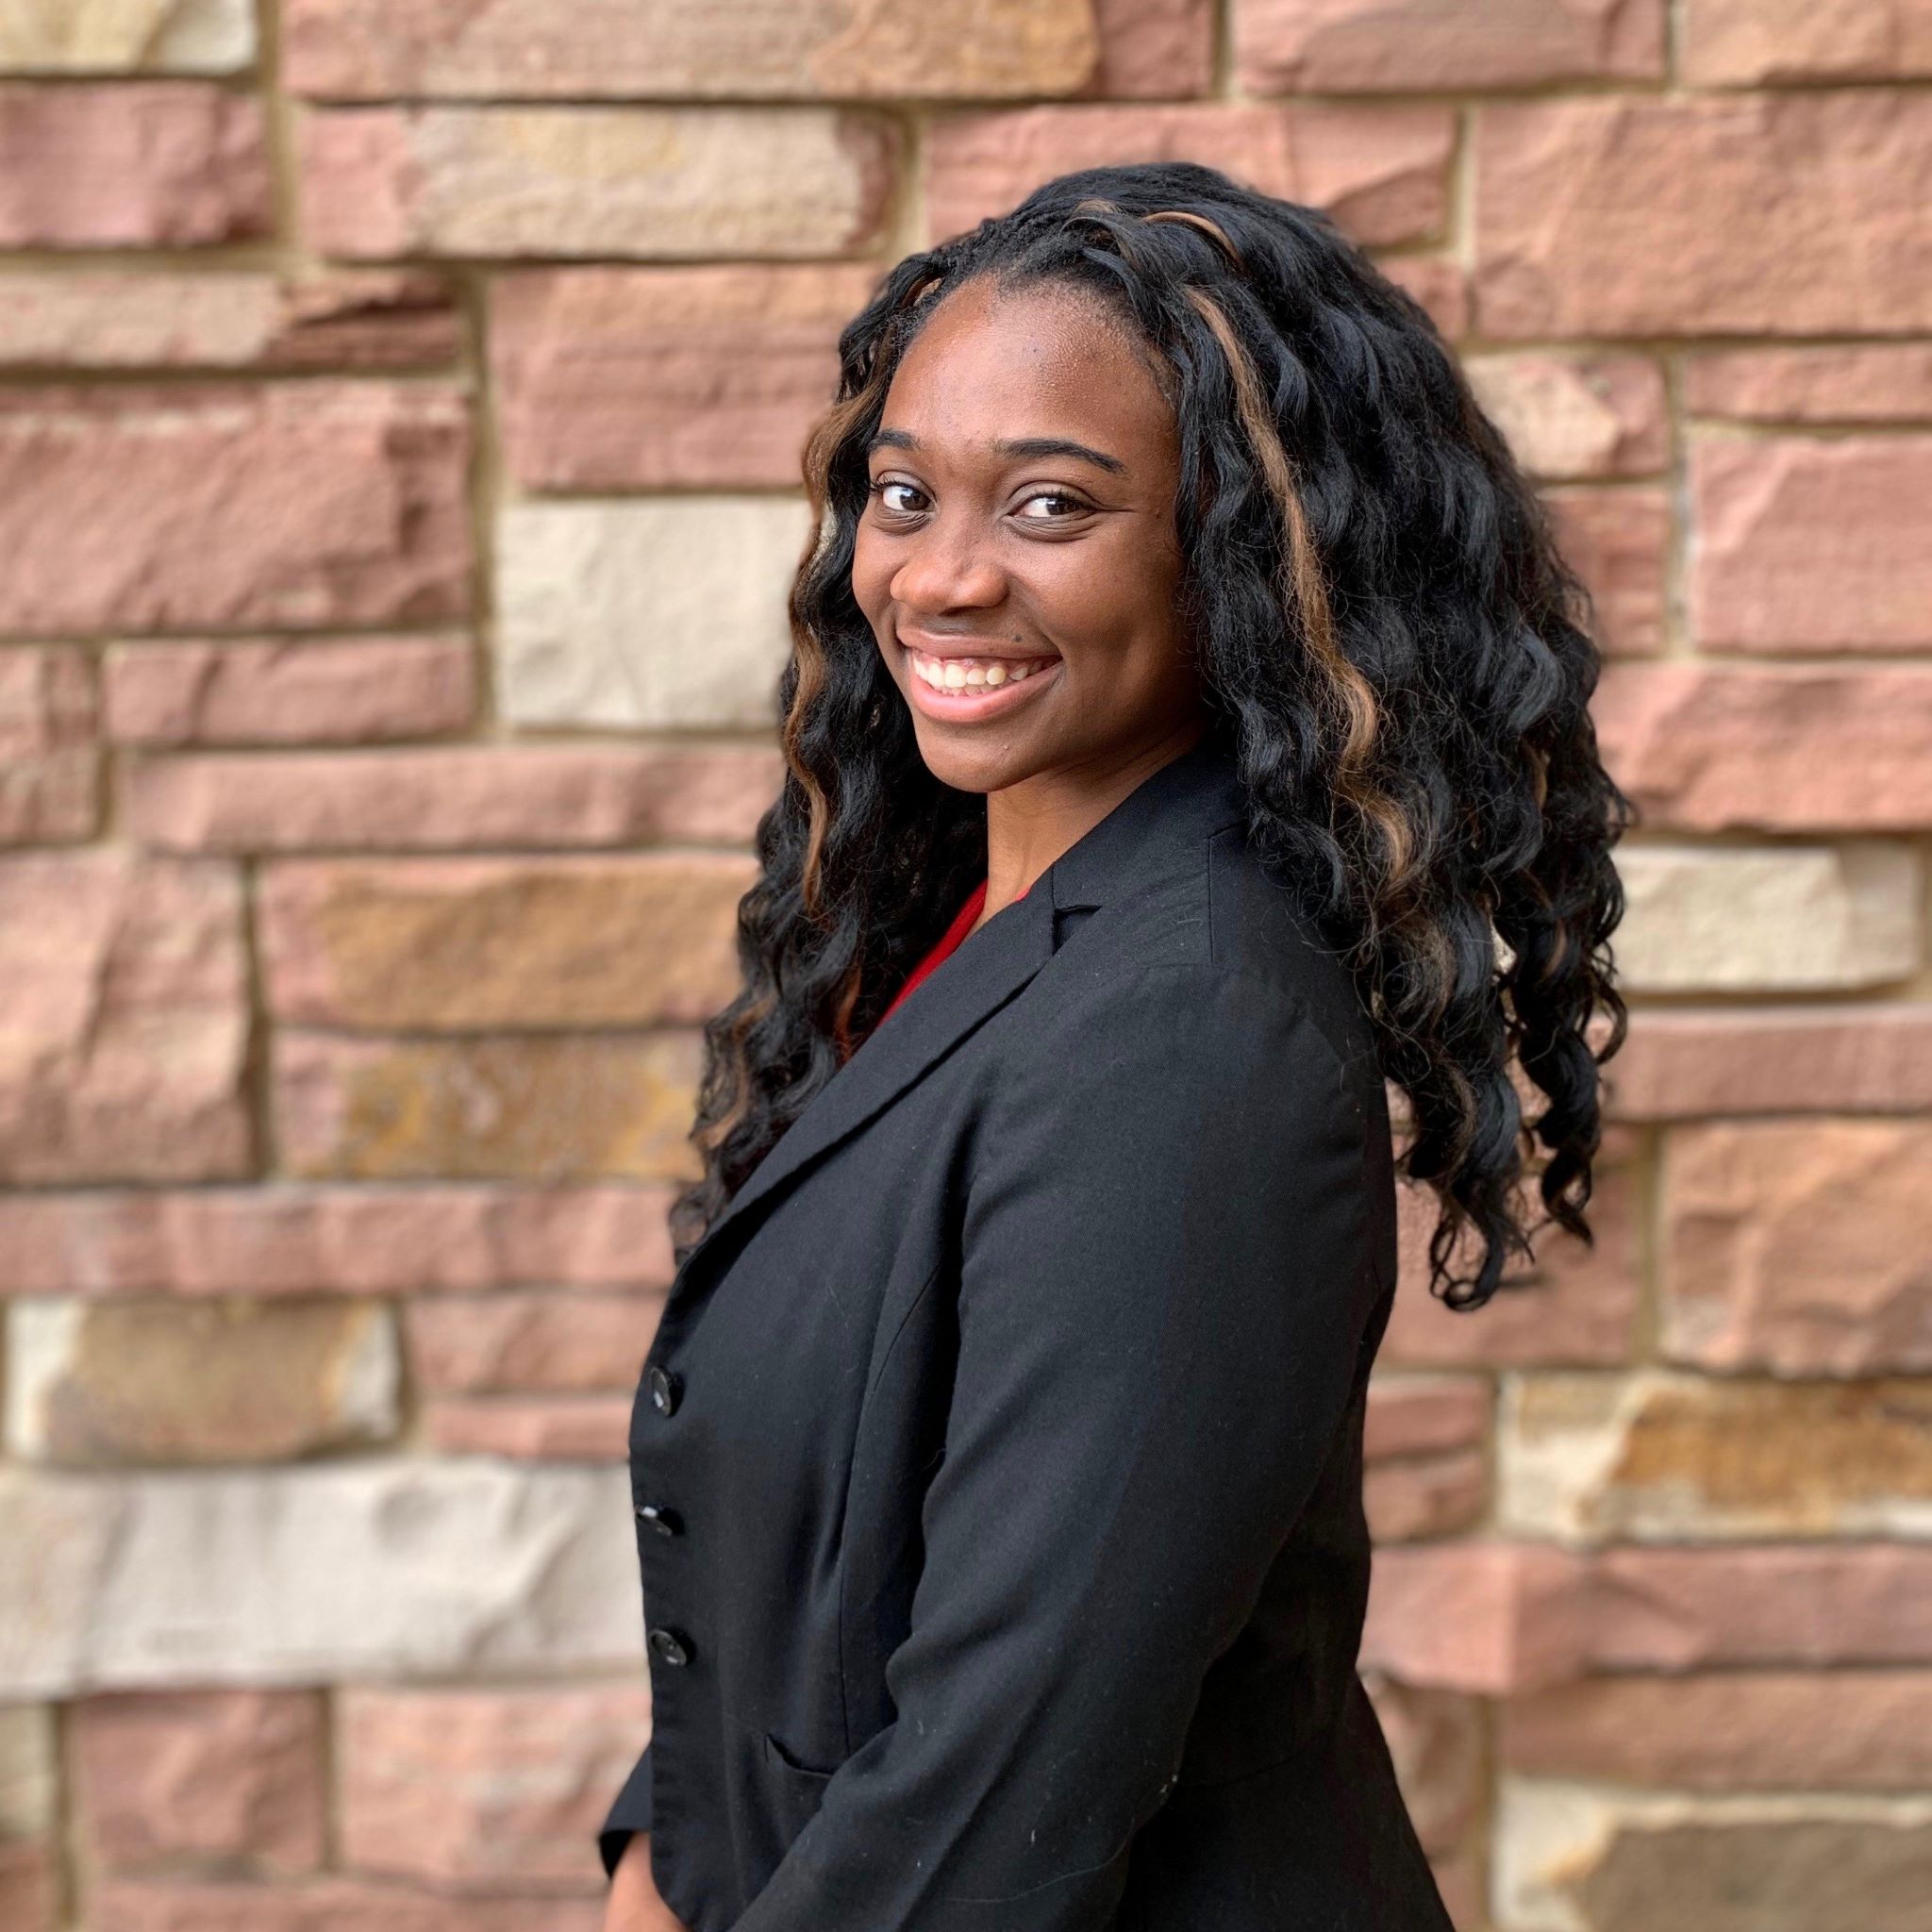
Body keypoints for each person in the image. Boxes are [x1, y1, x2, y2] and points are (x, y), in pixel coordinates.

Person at [600, 160, 1629, 1932]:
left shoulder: (1187, 1036)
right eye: (903, 492)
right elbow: (822, 1580)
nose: (938, 576)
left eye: (1054, 507)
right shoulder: (966, 927)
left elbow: (1002, 1776)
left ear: (1233, 548)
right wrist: (665, 1865)